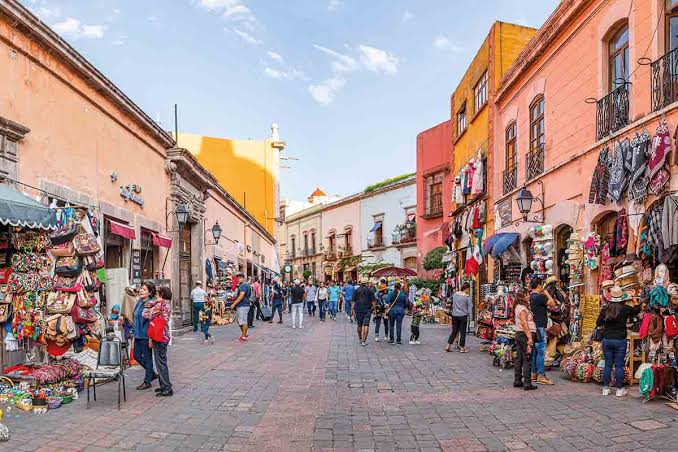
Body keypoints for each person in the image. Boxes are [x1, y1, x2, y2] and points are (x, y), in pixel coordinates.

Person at [596, 286, 642, 397]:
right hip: (620, 340)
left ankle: (606, 388)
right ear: (622, 298)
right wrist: (635, 300)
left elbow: (598, 323)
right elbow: (637, 310)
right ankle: (619, 389)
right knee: (619, 365)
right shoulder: (625, 308)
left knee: (608, 365)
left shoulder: (605, 309)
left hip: (607, 339)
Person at [144, 286, 173, 397]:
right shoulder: (167, 305)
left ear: (161, 295)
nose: (156, 295)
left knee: (160, 363)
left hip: (159, 336)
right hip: (163, 336)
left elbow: (145, 313)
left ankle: (167, 387)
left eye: (157, 294)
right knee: (161, 362)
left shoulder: (160, 305)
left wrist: (153, 303)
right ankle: (163, 384)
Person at [530, 278, 557, 385]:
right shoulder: (539, 297)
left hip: (535, 327)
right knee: (541, 352)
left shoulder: (531, 296)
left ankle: (533, 374)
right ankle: (541, 375)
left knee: (535, 352)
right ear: (539, 286)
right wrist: (546, 292)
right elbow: (552, 304)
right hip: (540, 327)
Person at [132, 281, 157, 390]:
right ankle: (151, 372)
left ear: (150, 292)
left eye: (144, 289)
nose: (141, 290)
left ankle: (147, 381)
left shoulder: (151, 304)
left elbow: (152, 321)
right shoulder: (139, 302)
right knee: (136, 356)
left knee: (147, 358)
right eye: (141, 289)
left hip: (146, 335)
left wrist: (151, 338)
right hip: (137, 334)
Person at [513, 287, 537, 391]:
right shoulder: (522, 308)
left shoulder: (519, 307)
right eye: (527, 294)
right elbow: (524, 322)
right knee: (527, 358)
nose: (529, 296)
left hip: (520, 334)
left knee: (519, 358)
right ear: (524, 296)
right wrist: (529, 337)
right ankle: (527, 382)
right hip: (524, 335)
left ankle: (518, 380)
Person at [445, 282, 473, 353]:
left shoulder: (455, 294)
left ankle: (448, 346)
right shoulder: (467, 296)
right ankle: (462, 348)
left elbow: (452, 303)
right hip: (463, 316)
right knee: (462, 332)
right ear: (466, 288)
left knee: (454, 331)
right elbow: (470, 307)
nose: (468, 290)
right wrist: (469, 314)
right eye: (468, 289)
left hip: (455, 315)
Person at [353, 278, 376, 346]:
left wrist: (352, 310)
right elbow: (373, 301)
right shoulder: (370, 290)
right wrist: (374, 309)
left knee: (359, 325)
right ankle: (364, 341)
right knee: (366, 325)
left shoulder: (357, 290)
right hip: (367, 309)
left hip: (358, 309)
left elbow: (353, 301)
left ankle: (360, 338)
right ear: (367, 283)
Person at [230, 273, 252, 342]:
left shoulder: (243, 285)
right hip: (243, 305)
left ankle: (244, 336)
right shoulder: (245, 285)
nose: (238, 279)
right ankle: (244, 334)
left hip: (243, 305)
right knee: (240, 321)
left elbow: (241, 295)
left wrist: (234, 304)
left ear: (243, 278)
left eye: (240, 278)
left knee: (243, 321)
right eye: (238, 278)